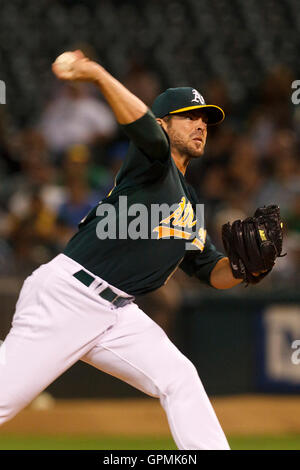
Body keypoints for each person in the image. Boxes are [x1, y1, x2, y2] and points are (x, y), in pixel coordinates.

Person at [0, 50, 254, 451]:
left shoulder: (188, 201)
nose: (201, 124)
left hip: (118, 314)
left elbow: (211, 271)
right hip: (69, 297)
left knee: (179, 377)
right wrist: (99, 75)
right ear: (162, 122)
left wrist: (245, 268)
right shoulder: (151, 164)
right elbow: (145, 132)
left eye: (205, 119)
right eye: (189, 116)